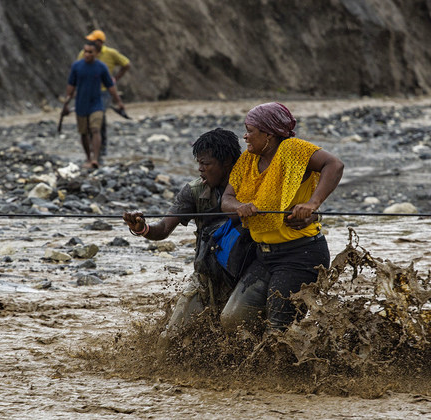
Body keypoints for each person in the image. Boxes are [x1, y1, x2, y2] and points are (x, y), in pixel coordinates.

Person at [123, 128, 317, 339]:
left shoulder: (261, 187)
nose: (200, 169)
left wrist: (311, 216)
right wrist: (142, 228)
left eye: (206, 164)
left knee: (250, 333)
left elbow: (296, 215)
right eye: (199, 163)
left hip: (246, 278)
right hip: (207, 279)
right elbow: (162, 230)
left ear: (227, 163)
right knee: (170, 339)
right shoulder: (195, 191)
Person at [220, 102, 344, 333]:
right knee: (232, 319)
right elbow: (226, 198)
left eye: (250, 130)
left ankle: (283, 366)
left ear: (268, 133)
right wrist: (239, 207)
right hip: (264, 255)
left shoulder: (293, 150)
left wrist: (312, 204)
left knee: (278, 330)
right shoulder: (247, 160)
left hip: (300, 255)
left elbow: (334, 164)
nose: (245, 136)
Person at [62, 40, 125, 169]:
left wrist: (118, 101)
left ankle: (95, 159)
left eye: (90, 52)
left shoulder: (101, 67)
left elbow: (110, 86)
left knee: (95, 129)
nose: (87, 54)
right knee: (84, 132)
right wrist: (66, 104)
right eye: (85, 51)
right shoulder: (77, 67)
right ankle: (88, 158)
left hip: (96, 103)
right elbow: (71, 86)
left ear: (96, 53)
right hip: (81, 103)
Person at [77, 30, 131, 157]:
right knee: (89, 120)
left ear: (100, 42)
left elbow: (126, 64)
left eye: (93, 41)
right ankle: (93, 149)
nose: (90, 43)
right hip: (88, 92)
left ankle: (101, 147)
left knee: (99, 118)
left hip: (104, 92)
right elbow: (78, 69)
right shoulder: (84, 54)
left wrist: (115, 79)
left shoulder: (111, 54)